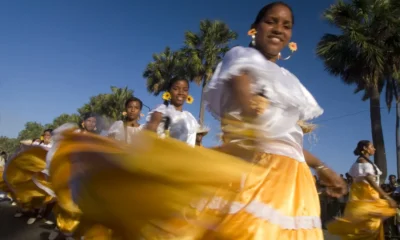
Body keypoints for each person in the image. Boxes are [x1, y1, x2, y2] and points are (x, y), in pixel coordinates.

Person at [327, 140, 397, 239]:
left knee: (370, 226)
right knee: (368, 227)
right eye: (372, 146)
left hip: (368, 195)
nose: (374, 149)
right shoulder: (362, 161)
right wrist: (385, 196)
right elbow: (369, 179)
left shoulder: (365, 161)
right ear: (365, 148)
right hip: (366, 196)